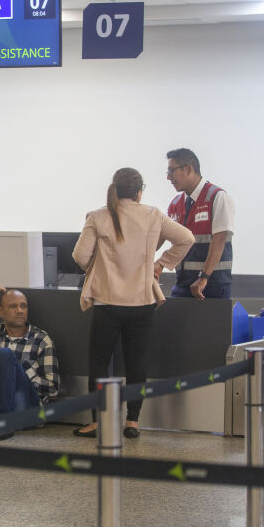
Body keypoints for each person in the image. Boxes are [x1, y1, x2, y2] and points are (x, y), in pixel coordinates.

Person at [72, 168, 194, 439]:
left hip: (107, 302)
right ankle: (133, 423)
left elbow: (80, 256)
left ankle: (98, 422)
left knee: (99, 363)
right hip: (142, 302)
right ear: (140, 192)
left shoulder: (97, 216)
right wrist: (160, 264)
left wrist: (99, 268)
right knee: (136, 363)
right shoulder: (153, 215)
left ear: (115, 189)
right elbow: (187, 238)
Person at [0, 287, 59, 441]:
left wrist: (16, 369)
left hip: (27, 407)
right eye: (13, 306)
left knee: (5, 354)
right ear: (1, 311)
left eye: (23, 306)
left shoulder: (41, 339)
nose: (20, 311)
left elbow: (53, 389)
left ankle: (3, 422)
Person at [164, 148, 234, 299]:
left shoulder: (217, 197)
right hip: (183, 284)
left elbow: (220, 240)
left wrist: (204, 277)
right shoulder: (175, 204)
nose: (168, 177)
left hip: (212, 285)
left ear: (188, 169)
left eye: (171, 171)